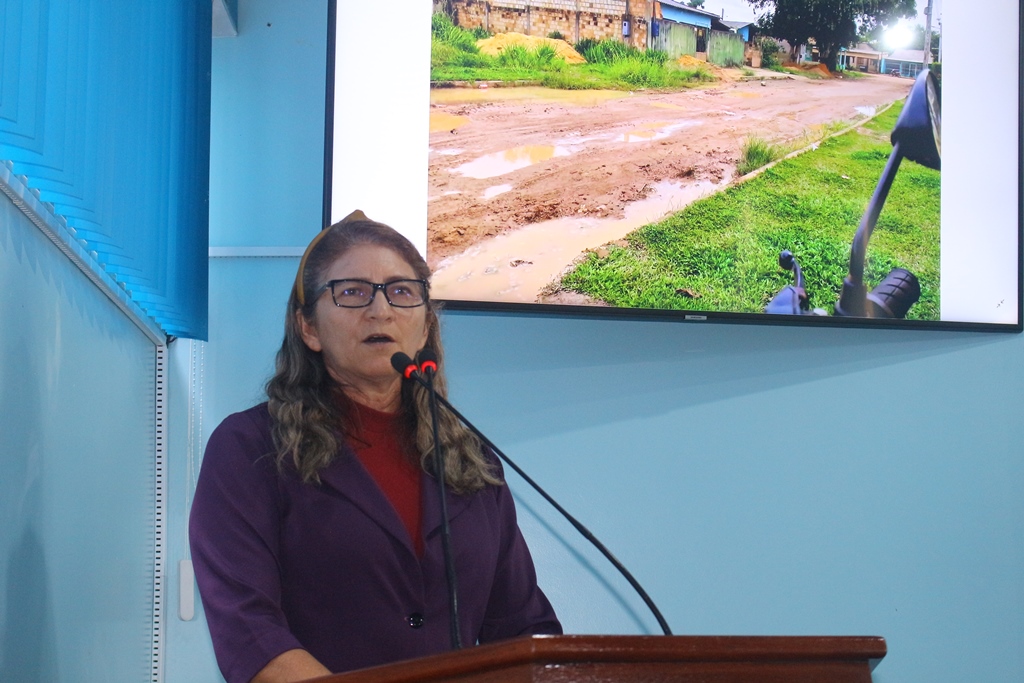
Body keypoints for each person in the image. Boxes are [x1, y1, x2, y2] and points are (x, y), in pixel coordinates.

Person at [189, 211, 562, 683]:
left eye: (402, 292)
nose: (380, 310)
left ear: (425, 327)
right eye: (352, 291)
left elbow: (523, 628)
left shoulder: (472, 461)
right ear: (309, 328)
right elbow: (249, 631)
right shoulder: (250, 448)